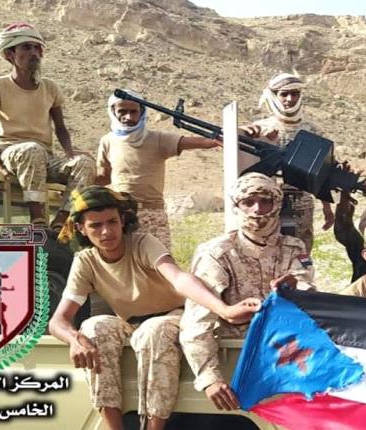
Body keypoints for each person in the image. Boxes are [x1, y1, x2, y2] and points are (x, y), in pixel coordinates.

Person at [49, 186, 260, 430]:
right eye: (96, 225)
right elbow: (58, 322)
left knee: (154, 330)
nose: (106, 231)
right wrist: (74, 340)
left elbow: (178, 278)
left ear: (122, 221)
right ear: (81, 228)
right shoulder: (86, 261)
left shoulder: (142, 243)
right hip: (131, 324)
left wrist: (224, 310)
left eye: (112, 222)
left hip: (173, 317)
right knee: (92, 328)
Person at [179, 173, 315, 411]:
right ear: (236, 206)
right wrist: (209, 377)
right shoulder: (218, 253)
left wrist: (296, 288)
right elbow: (196, 321)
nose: (257, 209)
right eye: (248, 202)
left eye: (265, 201)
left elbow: (309, 293)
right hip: (235, 358)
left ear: (277, 204)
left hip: (287, 357)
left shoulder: (293, 248)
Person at [0, 22, 95, 230]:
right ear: (10, 54)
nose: (34, 53)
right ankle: (38, 220)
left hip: (44, 157)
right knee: (32, 149)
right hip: (11, 153)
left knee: (85, 163)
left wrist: (69, 153)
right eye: (26, 47)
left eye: (36, 48)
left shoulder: (50, 87)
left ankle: (61, 222)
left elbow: (60, 128)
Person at [95, 90, 222, 250]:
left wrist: (233, 134)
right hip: (122, 215)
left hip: (153, 213)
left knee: (160, 260)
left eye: (133, 112)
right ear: (113, 112)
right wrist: (76, 183)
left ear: (141, 112)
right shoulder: (107, 141)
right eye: (122, 111)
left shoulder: (157, 139)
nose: (128, 117)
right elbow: (104, 176)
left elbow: (200, 142)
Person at [239, 72, 334, 253]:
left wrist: (327, 208)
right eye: (284, 94)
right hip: (265, 202)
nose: (290, 99)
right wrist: (259, 137)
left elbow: (322, 172)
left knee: (300, 252)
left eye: (295, 93)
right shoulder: (260, 128)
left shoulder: (311, 130)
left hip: (301, 201)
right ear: (274, 95)